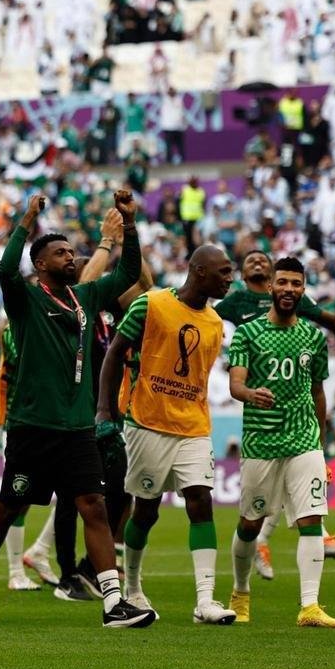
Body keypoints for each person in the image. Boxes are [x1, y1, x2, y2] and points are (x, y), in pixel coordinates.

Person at [0, 190, 155, 628]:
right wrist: (27, 219)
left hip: (78, 428)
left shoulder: (85, 297)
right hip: (33, 428)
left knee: (94, 506)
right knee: (8, 509)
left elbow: (125, 273)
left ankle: (112, 602)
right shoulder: (26, 299)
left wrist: (129, 224)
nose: (71, 257)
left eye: (72, 252)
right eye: (60, 253)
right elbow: (6, 267)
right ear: (41, 263)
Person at [215, 250, 335, 571]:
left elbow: (332, 322)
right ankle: (261, 544)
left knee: (298, 481)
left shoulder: (291, 299)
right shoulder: (236, 302)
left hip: (295, 414)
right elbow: (204, 318)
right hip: (260, 415)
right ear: (266, 284)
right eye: (250, 260)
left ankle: (311, 539)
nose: (257, 263)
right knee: (259, 507)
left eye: (263, 259)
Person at [97, 245, 238, 624]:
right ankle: (133, 587)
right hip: (147, 424)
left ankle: (205, 601)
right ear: (197, 271)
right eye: (223, 272)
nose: (229, 279)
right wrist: (105, 411)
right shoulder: (151, 304)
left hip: (193, 426)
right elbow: (114, 355)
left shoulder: (214, 323)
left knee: (200, 501)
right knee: (145, 509)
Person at [226, 257, 335, 628]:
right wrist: (249, 394)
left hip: (304, 439)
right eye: (283, 283)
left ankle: (310, 606)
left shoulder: (313, 336)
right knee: (250, 525)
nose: (289, 289)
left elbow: (318, 392)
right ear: (272, 287)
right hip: (261, 442)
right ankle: (241, 592)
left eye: (296, 283)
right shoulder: (247, 333)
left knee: (311, 519)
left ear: (303, 289)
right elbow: (235, 384)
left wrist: (320, 445)